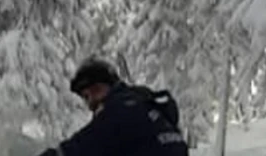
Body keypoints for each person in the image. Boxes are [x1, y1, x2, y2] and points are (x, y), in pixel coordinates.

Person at [37, 58, 189, 156]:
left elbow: (82, 147)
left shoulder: (121, 108)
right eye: (86, 97)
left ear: (112, 86)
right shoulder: (145, 104)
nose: (91, 101)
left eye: (96, 90)